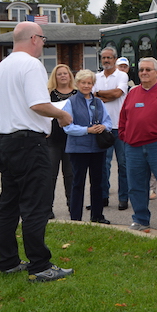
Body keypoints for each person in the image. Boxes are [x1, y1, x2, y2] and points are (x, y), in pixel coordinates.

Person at [0, 21, 74, 282]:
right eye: (43, 39)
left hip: (5, 142)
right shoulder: (31, 65)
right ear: (34, 38)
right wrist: (61, 114)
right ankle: (41, 265)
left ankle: (8, 261)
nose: (44, 44)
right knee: (36, 205)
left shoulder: (1, 67)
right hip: (29, 143)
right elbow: (38, 104)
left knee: (9, 204)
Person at [120, 57, 157, 234]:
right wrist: (125, 136)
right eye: (141, 70)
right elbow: (123, 118)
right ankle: (140, 219)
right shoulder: (132, 93)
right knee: (136, 185)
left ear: (156, 72)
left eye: (147, 70)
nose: (144, 73)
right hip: (134, 147)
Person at [61, 69, 112, 224]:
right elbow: (67, 127)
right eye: (83, 82)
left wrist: (103, 127)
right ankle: (75, 218)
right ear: (77, 84)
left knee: (97, 183)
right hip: (78, 149)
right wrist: (87, 130)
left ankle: (97, 216)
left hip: (97, 148)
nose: (86, 85)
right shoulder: (70, 102)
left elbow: (108, 121)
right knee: (78, 183)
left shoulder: (99, 102)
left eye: (89, 83)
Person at [92, 47, 129, 210]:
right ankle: (103, 197)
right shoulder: (96, 77)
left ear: (115, 59)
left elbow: (118, 93)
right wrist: (103, 96)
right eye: (104, 58)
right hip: (102, 127)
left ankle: (123, 198)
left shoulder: (122, 75)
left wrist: (100, 94)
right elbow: (91, 97)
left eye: (109, 58)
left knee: (123, 164)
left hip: (120, 126)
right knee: (103, 165)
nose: (106, 60)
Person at [47, 64, 76, 218]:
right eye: (60, 74)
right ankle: (47, 208)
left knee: (70, 175)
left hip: (72, 140)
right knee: (50, 175)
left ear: (70, 76)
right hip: (52, 140)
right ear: (55, 77)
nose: (63, 76)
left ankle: (73, 206)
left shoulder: (77, 94)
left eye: (66, 73)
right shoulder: (48, 94)